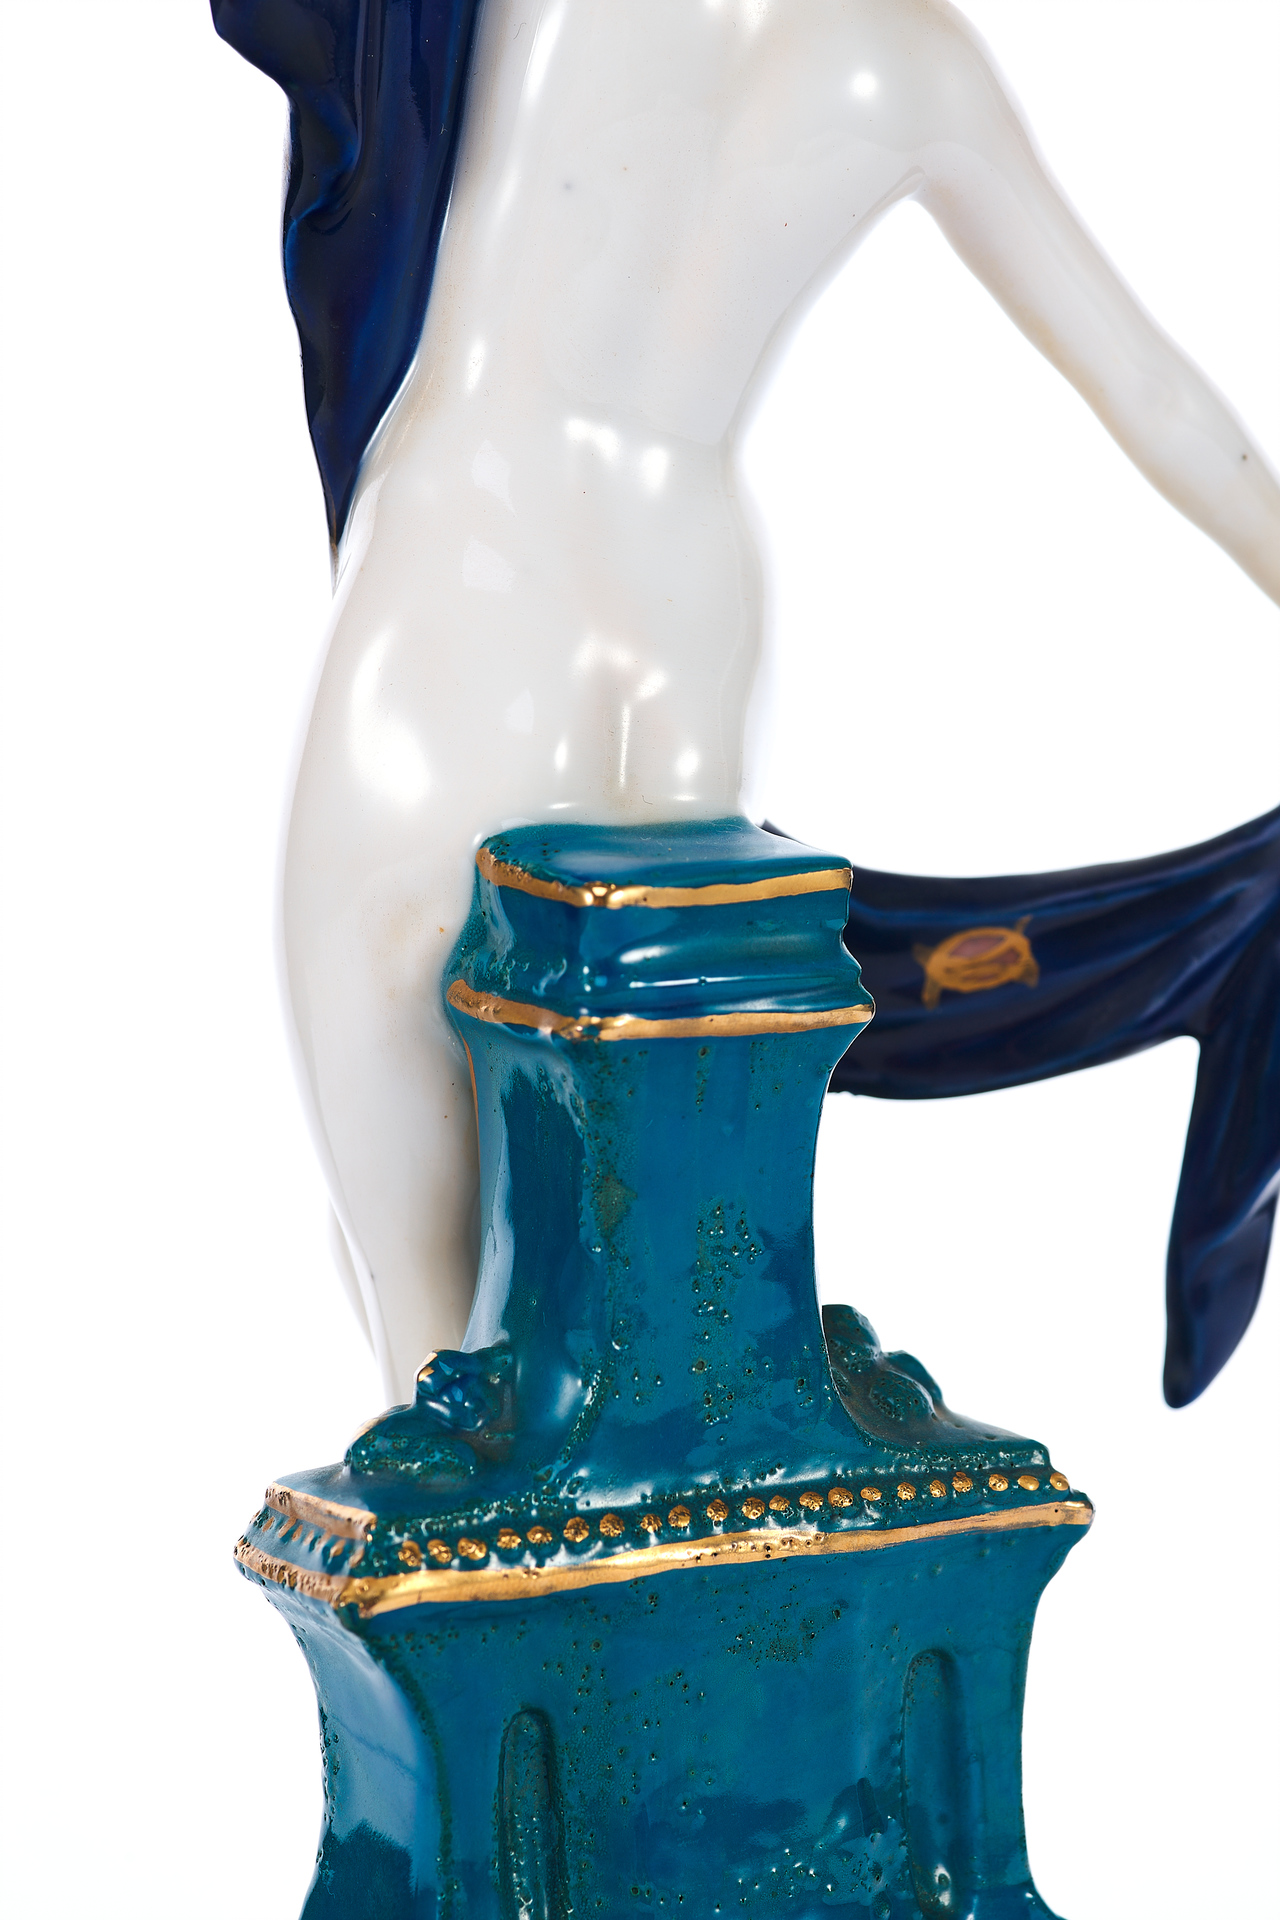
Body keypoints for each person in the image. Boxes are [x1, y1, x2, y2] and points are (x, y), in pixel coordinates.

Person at [214, 0, 1280, 1406]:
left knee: (399, 1151)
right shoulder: (912, 59)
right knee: (643, 1124)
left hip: (475, 545)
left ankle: (478, 1483)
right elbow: (1154, 393)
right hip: (686, 594)